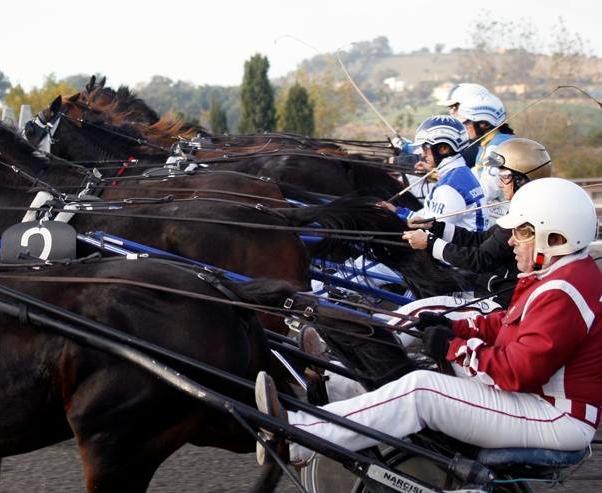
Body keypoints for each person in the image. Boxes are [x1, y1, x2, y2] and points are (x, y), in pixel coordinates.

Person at [256, 177, 601, 466]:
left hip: (555, 417)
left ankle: (299, 437)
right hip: (538, 399)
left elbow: (520, 371)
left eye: (522, 234)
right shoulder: (563, 273)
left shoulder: (563, 290)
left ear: (556, 239)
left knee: (422, 390)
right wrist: (458, 328)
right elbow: (509, 323)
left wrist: (454, 347)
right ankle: (337, 393)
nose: (511, 241)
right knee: (418, 357)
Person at [402, 138, 552, 302]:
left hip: (498, 299)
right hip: (488, 288)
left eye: (504, 177)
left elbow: (481, 259)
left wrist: (430, 243)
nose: (501, 185)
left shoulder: (525, 216)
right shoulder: (521, 208)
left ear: (522, 180)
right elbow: (481, 239)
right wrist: (436, 227)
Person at [382, 116, 487, 232]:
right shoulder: (460, 172)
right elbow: (428, 217)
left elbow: (430, 228)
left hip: (461, 247)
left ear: (444, 149)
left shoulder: (449, 188)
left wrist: (396, 216)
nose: (422, 154)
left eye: (425, 147)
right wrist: (398, 211)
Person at [456, 92, 516, 225]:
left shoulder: (497, 148)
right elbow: (476, 175)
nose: (465, 127)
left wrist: (457, 190)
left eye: (467, 122)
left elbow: (487, 190)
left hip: (503, 215)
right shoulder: (488, 144)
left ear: (484, 123)